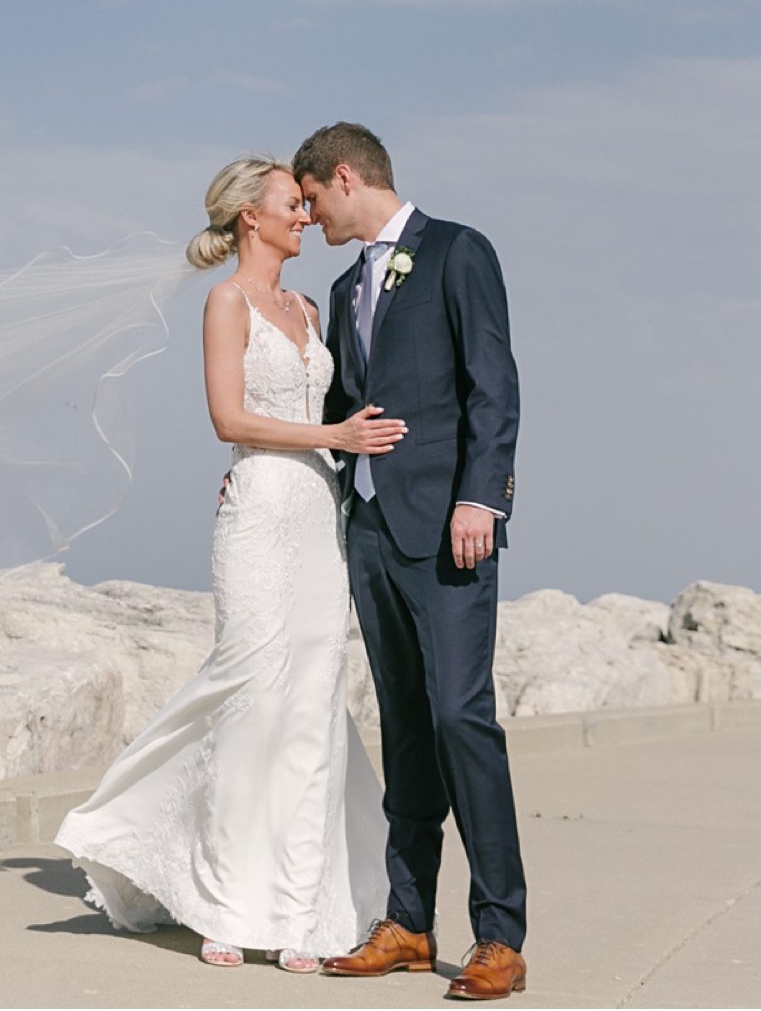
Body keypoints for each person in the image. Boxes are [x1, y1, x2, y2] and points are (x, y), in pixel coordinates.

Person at [52, 154, 402, 971]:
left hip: (320, 518)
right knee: (247, 691)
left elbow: (341, 409)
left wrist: (339, 445)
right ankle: (223, 895)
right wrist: (330, 437)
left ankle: (300, 909)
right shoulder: (226, 301)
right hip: (258, 516)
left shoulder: (313, 308)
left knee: (311, 705)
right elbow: (228, 417)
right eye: (292, 203)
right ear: (252, 215)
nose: (305, 215)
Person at [293, 122, 529, 1001]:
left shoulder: (460, 252)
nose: (311, 218)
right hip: (372, 533)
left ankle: (499, 933)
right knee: (403, 723)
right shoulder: (347, 280)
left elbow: (492, 385)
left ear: (346, 177)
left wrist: (484, 496)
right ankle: (408, 920)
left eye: (314, 200)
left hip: (450, 527)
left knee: (463, 717)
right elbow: (340, 406)